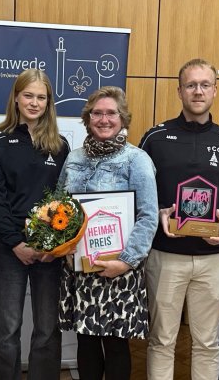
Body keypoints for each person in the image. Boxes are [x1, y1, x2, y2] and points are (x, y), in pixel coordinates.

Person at [139, 59, 219, 380]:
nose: (197, 91)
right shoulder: (155, 138)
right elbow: (140, 191)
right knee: (161, 341)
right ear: (179, 91)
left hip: (214, 258)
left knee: (208, 343)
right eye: (190, 85)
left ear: (215, 91)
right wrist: (160, 212)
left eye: (204, 85)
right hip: (165, 255)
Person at [59, 86, 158, 380]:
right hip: (81, 268)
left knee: (115, 345)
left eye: (111, 113)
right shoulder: (73, 158)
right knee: (86, 341)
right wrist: (63, 247)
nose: (104, 119)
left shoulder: (137, 159)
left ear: (122, 118)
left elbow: (148, 216)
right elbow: (60, 208)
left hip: (120, 269)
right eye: (97, 113)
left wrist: (125, 262)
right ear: (88, 118)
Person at [0, 69, 70, 379]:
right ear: (16, 99)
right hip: (9, 249)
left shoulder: (60, 146)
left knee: (47, 327)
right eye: (28, 96)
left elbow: (64, 199)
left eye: (41, 97)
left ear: (48, 103)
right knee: (8, 328)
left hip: (49, 250)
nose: (34, 103)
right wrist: (15, 242)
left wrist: (53, 245)